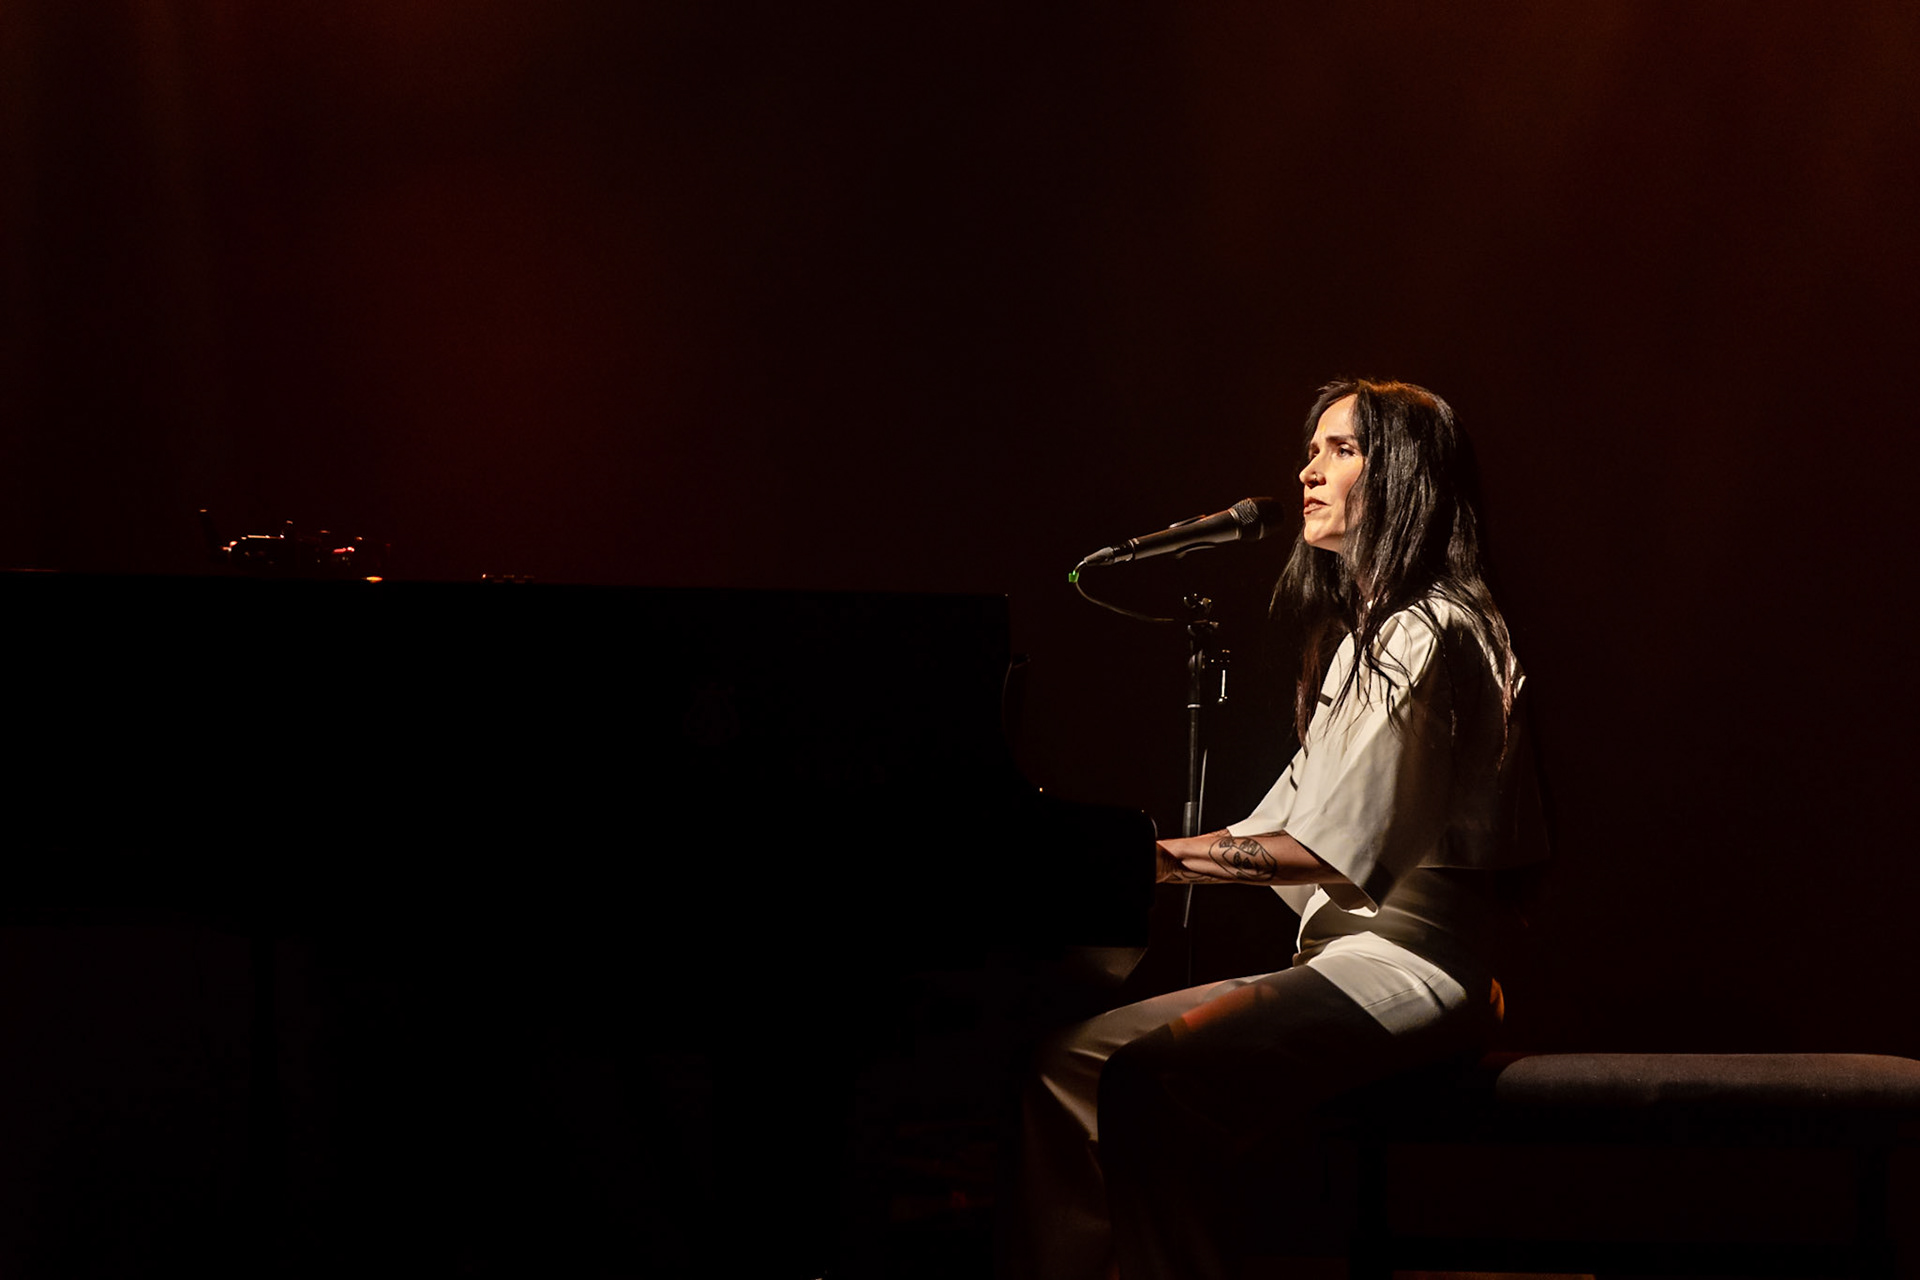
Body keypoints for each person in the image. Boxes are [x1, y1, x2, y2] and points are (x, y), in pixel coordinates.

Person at [1006, 378, 1548, 1280]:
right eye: (1312, 447)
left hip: (1416, 968)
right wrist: (1116, 855)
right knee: (1067, 1065)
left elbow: (1319, 851)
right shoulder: (1362, 644)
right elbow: (1270, 826)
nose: (1307, 469)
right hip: (1345, 962)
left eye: (1342, 449)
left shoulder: (1430, 630)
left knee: (1148, 1079)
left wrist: (1122, 862)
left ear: (1406, 475)